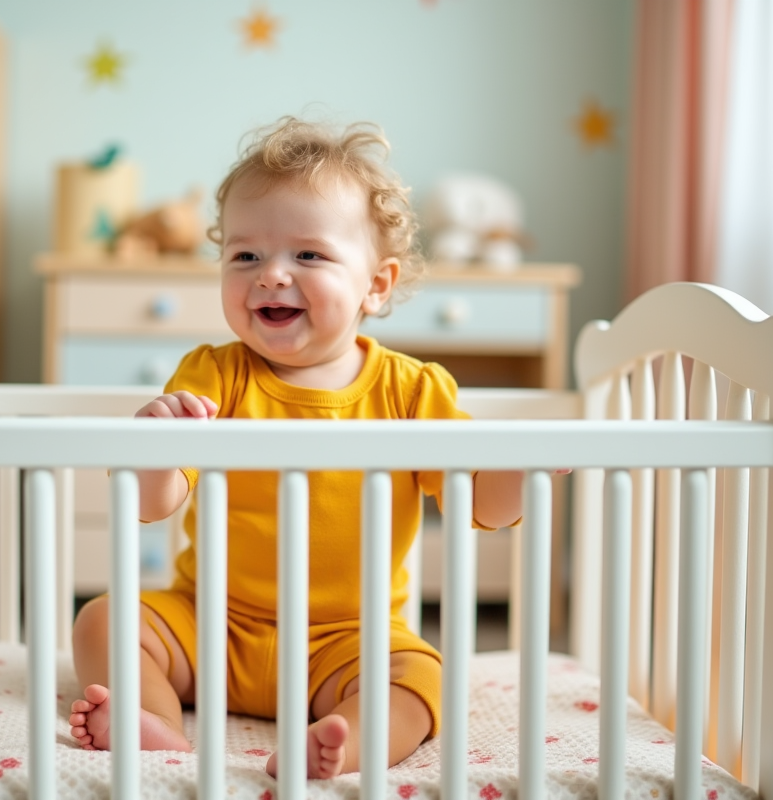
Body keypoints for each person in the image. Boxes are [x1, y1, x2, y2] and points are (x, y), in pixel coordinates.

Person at [67, 117, 525, 777]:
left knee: (425, 677)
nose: (272, 276)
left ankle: (347, 741)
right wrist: (157, 440)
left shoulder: (409, 389)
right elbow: (150, 503)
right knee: (104, 619)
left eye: (308, 255)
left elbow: (484, 507)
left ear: (377, 284)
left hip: (348, 641)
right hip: (210, 627)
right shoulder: (213, 374)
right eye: (245, 256)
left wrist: (519, 463)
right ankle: (154, 723)